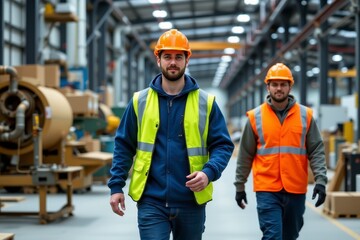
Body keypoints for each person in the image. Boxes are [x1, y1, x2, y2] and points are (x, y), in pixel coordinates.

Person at [108, 29, 234, 240]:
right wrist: (116, 186)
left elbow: (223, 145)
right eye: (167, 57)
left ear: (187, 60)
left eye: (178, 57)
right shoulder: (139, 101)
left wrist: (208, 172)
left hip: (191, 201)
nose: (173, 62)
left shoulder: (206, 103)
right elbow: (123, 145)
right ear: (158, 59)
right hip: (151, 201)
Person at [234, 63, 328, 240]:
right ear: (267, 86)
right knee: (273, 236)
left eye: (283, 84)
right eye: (275, 84)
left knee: (290, 235)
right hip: (267, 188)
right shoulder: (255, 117)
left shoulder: (305, 115)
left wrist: (321, 181)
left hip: (296, 188)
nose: (279, 88)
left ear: (290, 86)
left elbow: (316, 150)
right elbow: (245, 155)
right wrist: (240, 186)